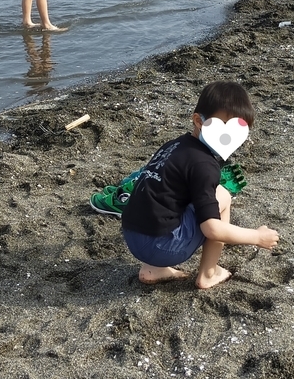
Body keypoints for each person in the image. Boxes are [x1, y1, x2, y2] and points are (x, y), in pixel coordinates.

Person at [119, 81, 279, 289]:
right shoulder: (204, 165)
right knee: (222, 195)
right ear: (198, 120)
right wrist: (256, 237)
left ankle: (152, 269)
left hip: (132, 235)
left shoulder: (174, 145)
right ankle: (208, 273)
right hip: (161, 247)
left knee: (170, 198)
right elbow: (212, 229)